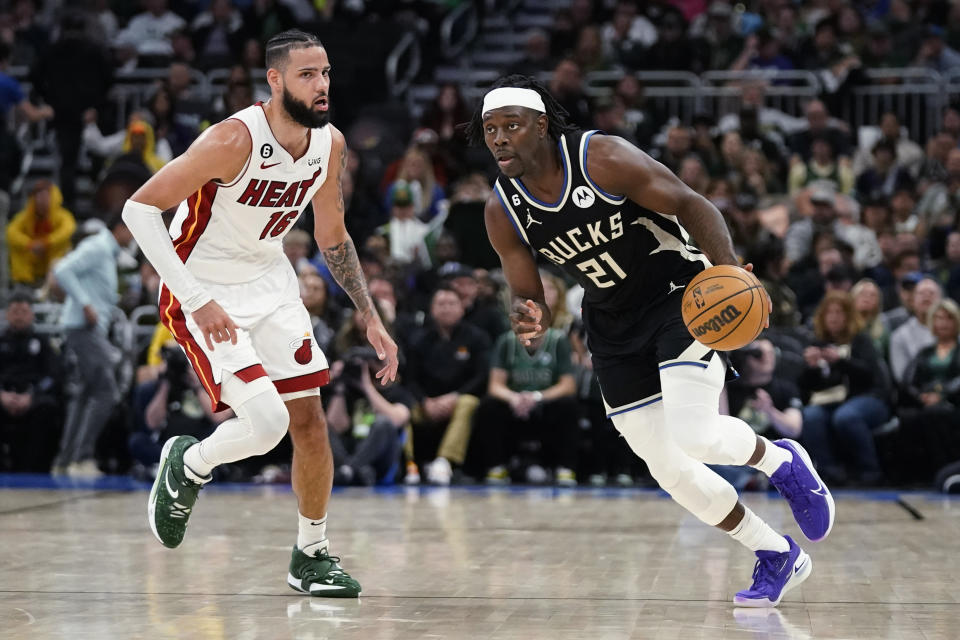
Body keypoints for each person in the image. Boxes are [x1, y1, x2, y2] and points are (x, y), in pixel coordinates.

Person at [468, 75, 835, 607]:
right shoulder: (501, 210)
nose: (499, 139)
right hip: (611, 324)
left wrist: (729, 271)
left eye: (511, 126)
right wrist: (531, 317)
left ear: (542, 125)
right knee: (668, 468)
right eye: (490, 130)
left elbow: (693, 204)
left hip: (680, 298)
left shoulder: (602, 157)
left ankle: (783, 462)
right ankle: (775, 552)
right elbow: (528, 292)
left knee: (695, 433)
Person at [121, 30, 398, 598]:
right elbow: (139, 209)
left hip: (271, 284)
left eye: (325, 73)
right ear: (275, 80)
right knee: (267, 424)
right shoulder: (232, 139)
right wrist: (199, 300)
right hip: (203, 287)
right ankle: (190, 462)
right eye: (307, 75)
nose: (321, 86)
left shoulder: (329, 145)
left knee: (310, 423)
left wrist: (369, 315)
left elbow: (333, 235)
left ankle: (311, 554)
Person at [50, 213, 133, 477]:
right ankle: (82, 458)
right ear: (119, 228)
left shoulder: (107, 252)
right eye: (130, 231)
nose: (133, 237)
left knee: (85, 393)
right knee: (106, 391)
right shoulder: (97, 246)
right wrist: (85, 303)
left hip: (87, 329)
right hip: (84, 329)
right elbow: (63, 270)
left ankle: (66, 461)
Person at [0, 290, 62, 472]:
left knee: (48, 408)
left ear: (32, 315)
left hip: (33, 397)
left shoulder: (43, 343)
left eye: (23, 312)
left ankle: (34, 468)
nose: (19, 317)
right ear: (7, 314)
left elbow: (53, 377)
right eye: (15, 312)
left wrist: (32, 396)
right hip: (3, 396)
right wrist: (2, 396)